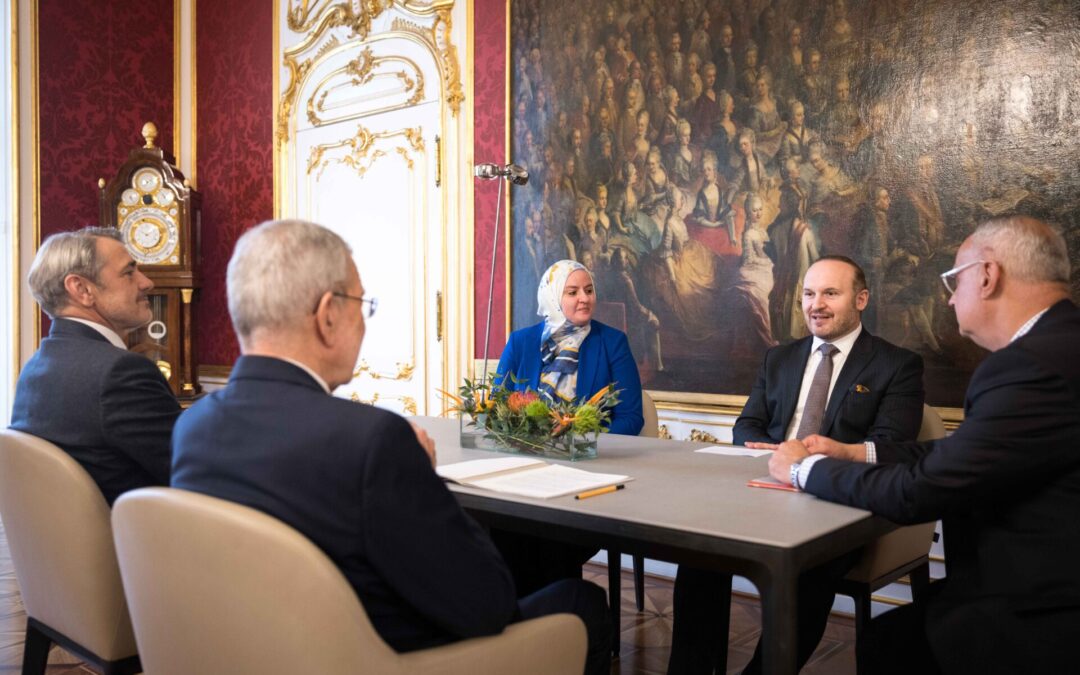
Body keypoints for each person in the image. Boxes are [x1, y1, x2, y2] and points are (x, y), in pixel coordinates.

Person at [171, 220, 611, 674]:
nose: (363, 321)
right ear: (327, 316)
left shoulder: (193, 428)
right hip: (388, 657)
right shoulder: (372, 441)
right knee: (582, 601)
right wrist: (424, 479)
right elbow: (489, 601)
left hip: (257, 652)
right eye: (363, 304)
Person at [768, 216, 1080, 674]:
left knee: (886, 645)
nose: (950, 298)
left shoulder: (1029, 366)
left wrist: (802, 470)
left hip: (1042, 602)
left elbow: (922, 491)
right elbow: (968, 455)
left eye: (954, 281)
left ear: (988, 276)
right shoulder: (1059, 347)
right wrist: (854, 452)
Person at [669, 255, 924, 675]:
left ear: (861, 299)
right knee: (700, 550)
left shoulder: (896, 364)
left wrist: (821, 458)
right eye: (809, 294)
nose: (815, 304)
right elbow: (746, 425)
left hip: (838, 503)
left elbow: (893, 446)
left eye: (830, 293)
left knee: (808, 567)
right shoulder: (779, 358)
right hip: (764, 490)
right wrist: (777, 455)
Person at [10, 227, 179, 505]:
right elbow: (195, 472)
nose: (147, 282)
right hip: (141, 544)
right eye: (129, 273)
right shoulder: (121, 373)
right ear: (82, 289)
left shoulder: (35, 369)